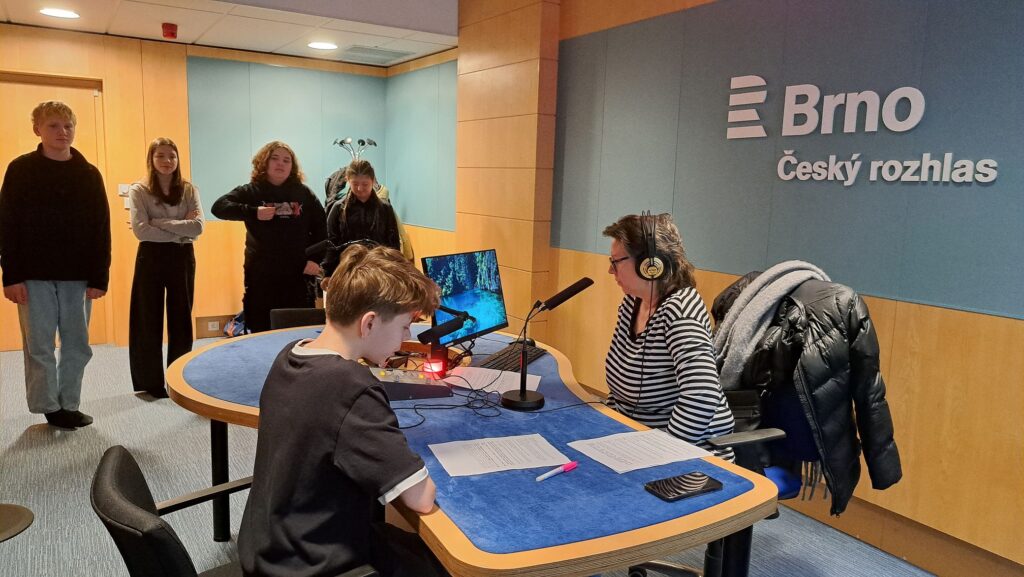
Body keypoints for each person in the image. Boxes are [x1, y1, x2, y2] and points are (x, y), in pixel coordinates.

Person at [238, 244, 448, 577]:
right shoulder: (351, 387)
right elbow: (420, 498)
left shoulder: (290, 355)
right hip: (313, 564)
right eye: (405, 326)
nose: (405, 339)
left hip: (270, 547)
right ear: (369, 323)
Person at [0, 100, 111, 429]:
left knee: (77, 345)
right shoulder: (20, 170)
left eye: (68, 126)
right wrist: (11, 276)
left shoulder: (88, 174)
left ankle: (69, 403)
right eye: (53, 126)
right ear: (38, 129)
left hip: (78, 277)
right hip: (32, 276)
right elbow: (7, 225)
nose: (63, 132)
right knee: (39, 344)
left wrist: (99, 277)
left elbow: (101, 228)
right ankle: (48, 405)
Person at [602, 213, 734, 459]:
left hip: (688, 453)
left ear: (650, 265)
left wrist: (659, 453)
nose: (611, 270)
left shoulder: (680, 312)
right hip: (635, 443)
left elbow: (702, 397)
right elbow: (619, 391)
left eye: (616, 261)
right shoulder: (632, 303)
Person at [212, 141, 326, 333]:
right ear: (264, 162)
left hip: (298, 273)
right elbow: (219, 207)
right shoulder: (251, 191)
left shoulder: (304, 193)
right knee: (260, 327)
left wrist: (315, 260)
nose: (280, 163)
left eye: (286, 160)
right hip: (261, 274)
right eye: (275, 158)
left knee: (297, 330)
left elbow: (322, 229)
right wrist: (253, 212)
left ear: (292, 166)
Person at [127, 137, 204, 397]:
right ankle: (150, 383)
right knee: (147, 318)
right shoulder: (139, 190)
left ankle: (178, 378)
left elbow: (198, 227)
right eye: (160, 155)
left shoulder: (189, 190)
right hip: (150, 256)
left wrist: (159, 222)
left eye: (172, 155)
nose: (167, 161)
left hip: (182, 256)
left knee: (181, 318)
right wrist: (181, 228)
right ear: (151, 159)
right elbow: (141, 231)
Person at [321, 159, 402, 278]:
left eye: (365, 184)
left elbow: (393, 243)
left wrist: (397, 271)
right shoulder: (338, 208)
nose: (360, 188)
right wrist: (327, 275)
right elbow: (330, 244)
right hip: (347, 271)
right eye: (355, 184)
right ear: (348, 180)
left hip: (379, 271)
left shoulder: (385, 208)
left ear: (373, 181)